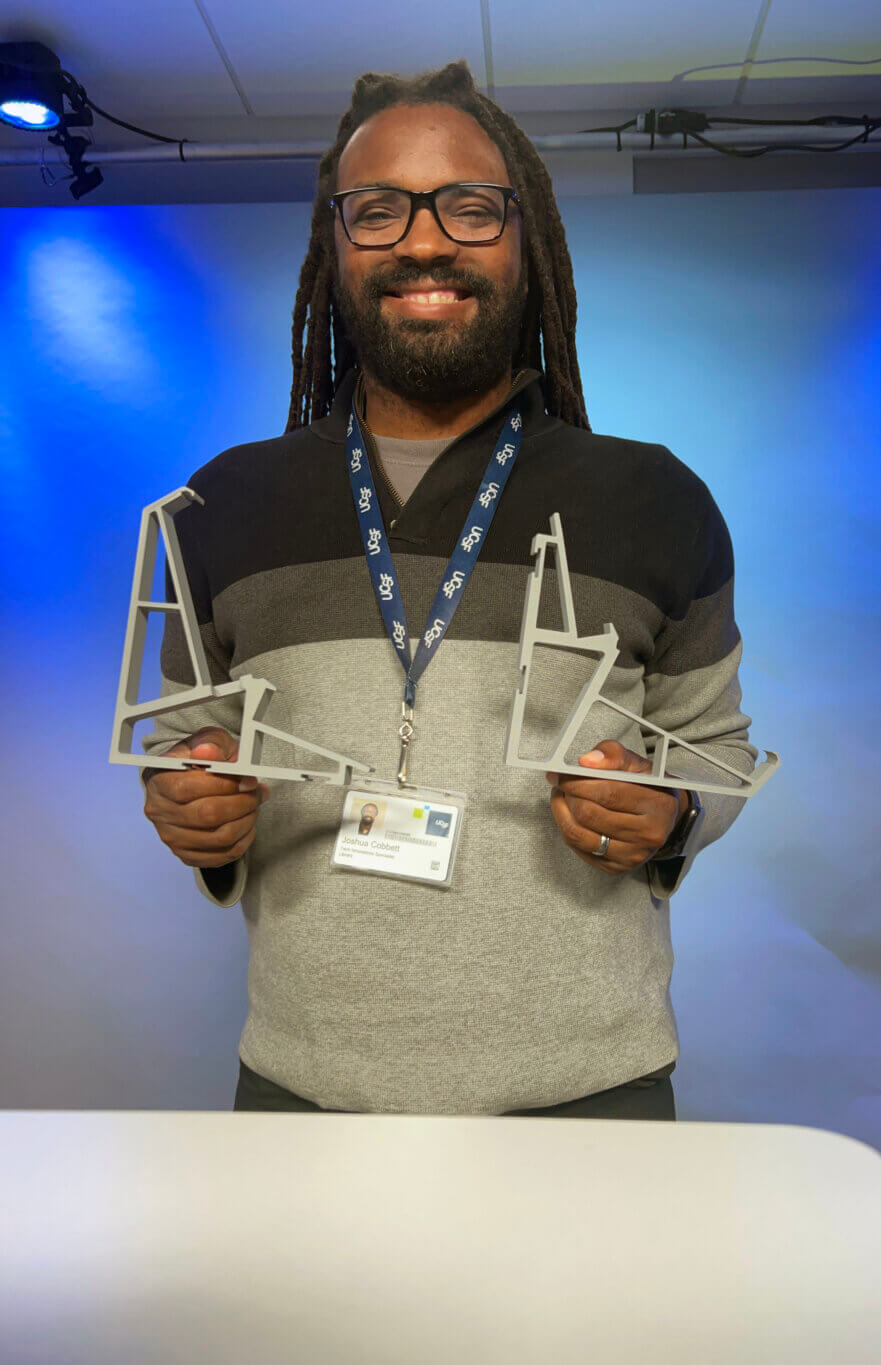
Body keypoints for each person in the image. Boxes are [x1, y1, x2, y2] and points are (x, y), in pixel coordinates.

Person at [141, 61, 759, 1120]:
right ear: (332, 247)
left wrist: (673, 814)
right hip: (302, 1090)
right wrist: (188, 803)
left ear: (527, 238)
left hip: (589, 1097)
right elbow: (185, 743)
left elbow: (715, 751)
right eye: (376, 210)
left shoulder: (654, 498)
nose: (423, 241)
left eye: (468, 207)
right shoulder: (222, 506)